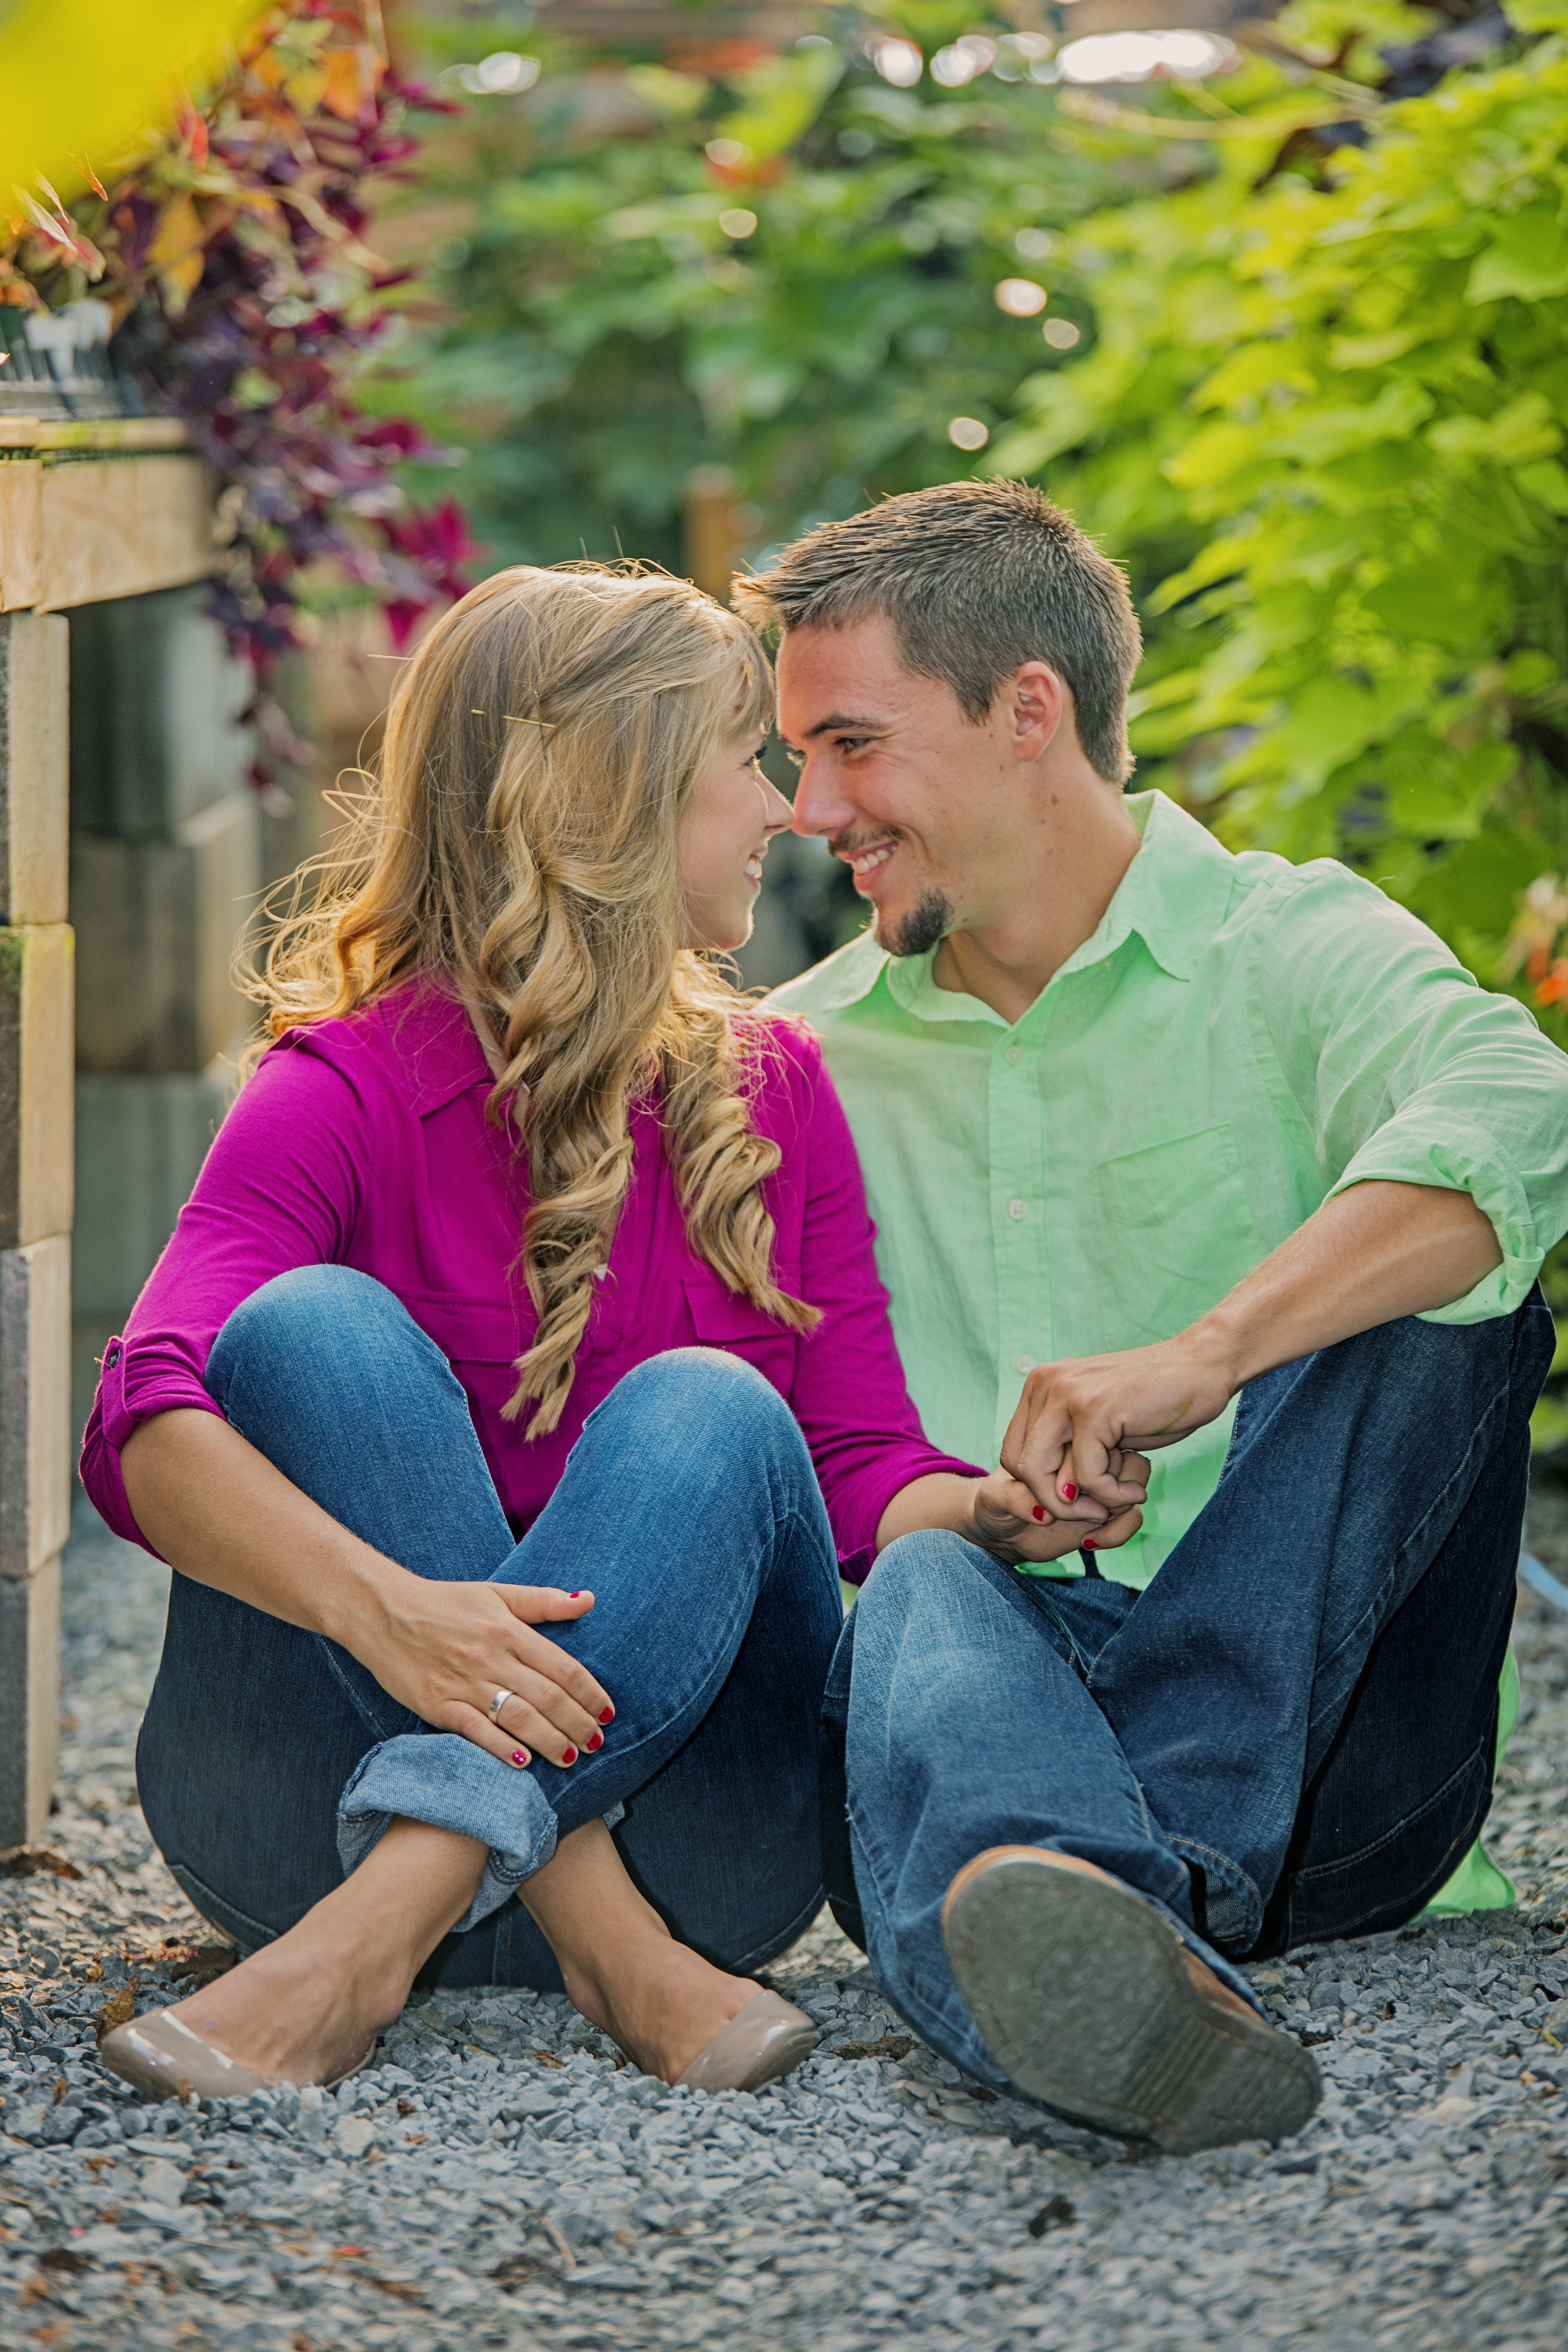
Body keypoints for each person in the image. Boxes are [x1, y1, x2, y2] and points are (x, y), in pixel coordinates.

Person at [82, 563, 1061, 2106]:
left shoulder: (769, 1090)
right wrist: (388, 1609)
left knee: (708, 1411)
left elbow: (855, 1465)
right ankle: (596, 1938)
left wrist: (996, 1508)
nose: (786, 812)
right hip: (288, 1829)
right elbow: (138, 1428)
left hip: (706, 1855)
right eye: (741, 764)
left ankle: (383, 1937)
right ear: (609, 805)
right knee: (309, 1335)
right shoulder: (334, 1090)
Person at [746, 480, 1568, 2155]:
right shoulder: (792, 1056)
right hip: (972, 1740)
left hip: (1333, 1754)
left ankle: (1135, 1902)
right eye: (796, 758)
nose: (807, 805)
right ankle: (1090, 1943)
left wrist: (1210, 1346)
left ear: (1026, 712)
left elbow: (1518, 1099)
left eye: (849, 744)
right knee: (916, 1561)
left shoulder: (1288, 945)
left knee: (1441, 1272)